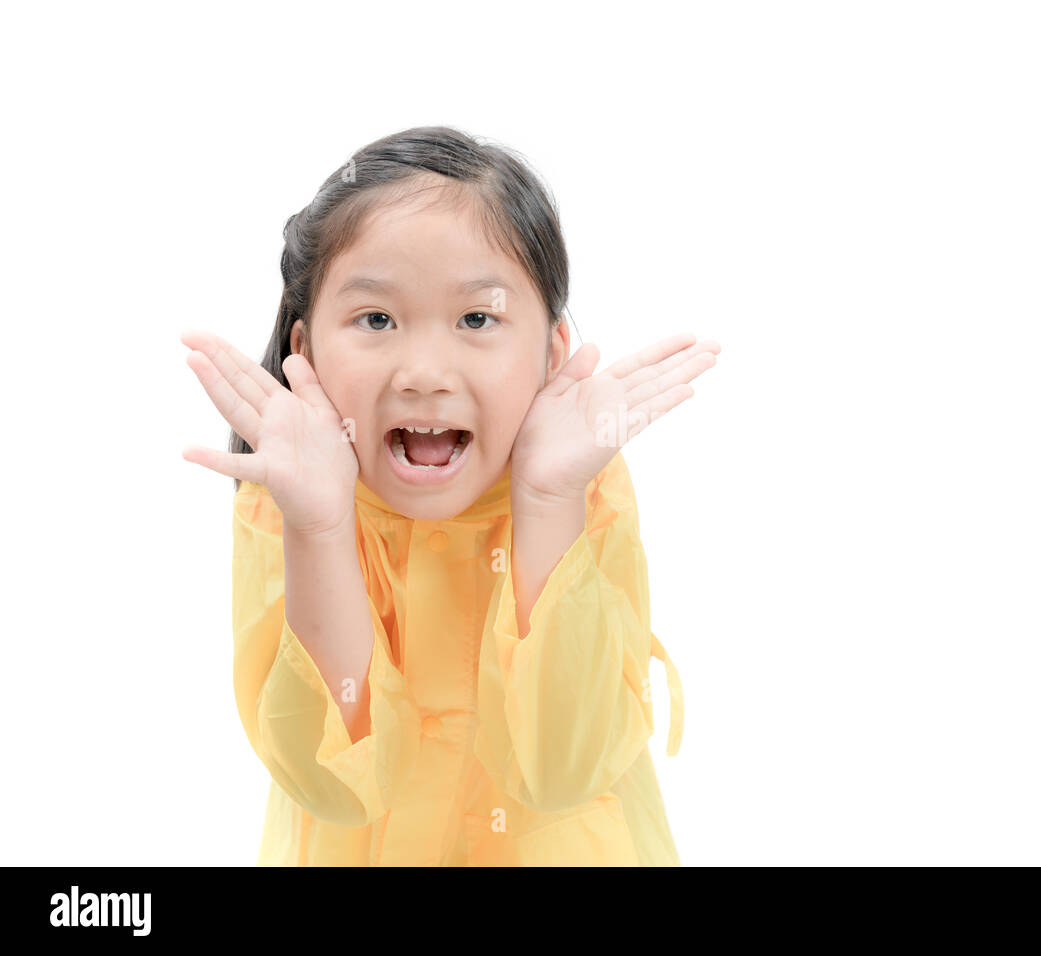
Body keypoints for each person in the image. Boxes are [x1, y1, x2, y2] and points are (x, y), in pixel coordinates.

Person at [180, 125, 720, 865]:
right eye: (376, 319)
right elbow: (329, 782)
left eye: (477, 318)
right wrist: (322, 529)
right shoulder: (285, 502)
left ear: (550, 352)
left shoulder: (582, 486)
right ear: (303, 353)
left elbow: (567, 769)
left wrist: (548, 501)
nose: (425, 371)